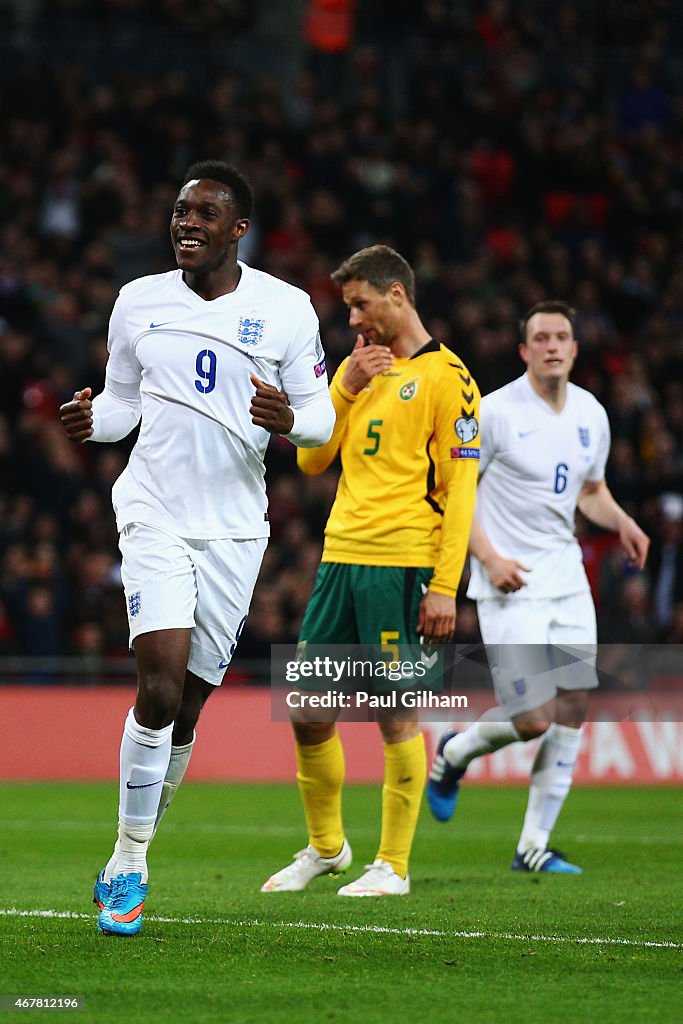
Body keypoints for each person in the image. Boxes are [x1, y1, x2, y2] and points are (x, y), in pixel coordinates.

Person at [59, 160, 335, 935]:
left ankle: (136, 841)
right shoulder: (136, 302)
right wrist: (93, 423)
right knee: (158, 685)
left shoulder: (284, 310)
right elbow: (119, 406)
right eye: (179, 211)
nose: (185, 223)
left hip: (237, 529)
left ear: (237, 229)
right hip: (152, 512)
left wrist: (289, 421)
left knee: (187, 711)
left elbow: (321, 424)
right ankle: (129, 860)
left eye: (203, 214)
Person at [261, 244, 481, 896]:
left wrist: (445, 585)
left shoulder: (448, 378)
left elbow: (463, 489)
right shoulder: (361, 370)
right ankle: (327, 848)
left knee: (395, 715)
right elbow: (309, 462)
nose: (352, 319)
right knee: (306, 708)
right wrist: (344, 385)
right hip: (340, 560)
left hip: (402, 565)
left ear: (396, 295)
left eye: (360, 304)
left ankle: (391, 865)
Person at [427, 300, 650, 872]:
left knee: (572, 705)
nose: (553, 345)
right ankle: (455, 752)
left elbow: (590, 490)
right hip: (510, 580)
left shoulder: (591, 415)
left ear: (575, 348)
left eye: (562, 336)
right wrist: (489, 557)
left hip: (566, 576)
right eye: (541, 338)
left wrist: (621, 521)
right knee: (530, 717)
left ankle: (533, 846)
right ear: (525, 351)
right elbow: (458, 493)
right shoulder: (494, 412)